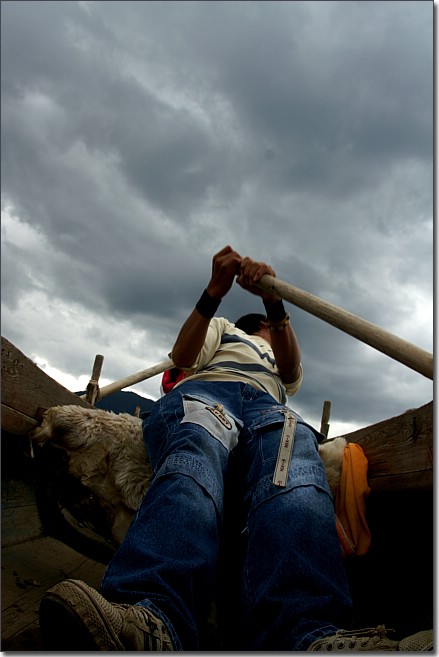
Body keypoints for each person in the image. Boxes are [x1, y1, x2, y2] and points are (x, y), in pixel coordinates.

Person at [38, 246, 433, 651]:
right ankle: (153, 613)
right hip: (211, 391)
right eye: (269, 326)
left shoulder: (278, 355)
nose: (273, 331)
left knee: (294, 470)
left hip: (268, 407)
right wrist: (214, 291)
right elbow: (183, 356)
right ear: (259, 326)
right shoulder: (226, 329)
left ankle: (309, 635)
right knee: (197, 451)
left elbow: (292, 370)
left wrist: (275, 301)